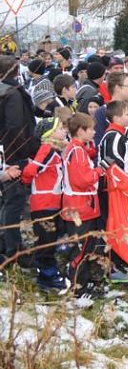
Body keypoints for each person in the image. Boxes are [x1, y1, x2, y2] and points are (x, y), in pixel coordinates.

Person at [22, 117, 70, 293]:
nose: (64, 131)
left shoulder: (54, 150)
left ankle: (46, 270)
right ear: (50, 133)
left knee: (49, 240)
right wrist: (27, 182)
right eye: (60, 128)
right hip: (43, 204)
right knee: (46, 242)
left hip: (52, 203)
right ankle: (47, 277)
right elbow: (30, 171)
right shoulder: (47, 149)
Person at [62, 112, 106, 298]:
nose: (94, 132)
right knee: (82, 248)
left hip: (78, 205)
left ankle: (82, 280)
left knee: (82, 247)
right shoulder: (77, 150)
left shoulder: (76, 147)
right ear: (81, 131)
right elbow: (82, 179)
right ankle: (78, 288)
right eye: (91, 129)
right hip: (81, 206)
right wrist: (98, 170)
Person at [97, 99, 128, 284]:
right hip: (110, 189)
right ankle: (113, 265)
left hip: (114, 188)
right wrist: (124, 182)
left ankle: (117, 261)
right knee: (112, 224)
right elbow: (113, 164)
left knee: (116, 223)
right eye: (126, 114)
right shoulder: (114, 135)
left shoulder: (118, 134)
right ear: (115, 117)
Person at [0, 55, 39, 262]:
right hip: (14, 155)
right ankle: (13, 251)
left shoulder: (6, 91)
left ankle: (8, 244)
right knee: (14, 203)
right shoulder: (12, 94)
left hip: (6, 153)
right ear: (16, 71)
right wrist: (25, 152)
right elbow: (15, 127)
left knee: (8, 202)